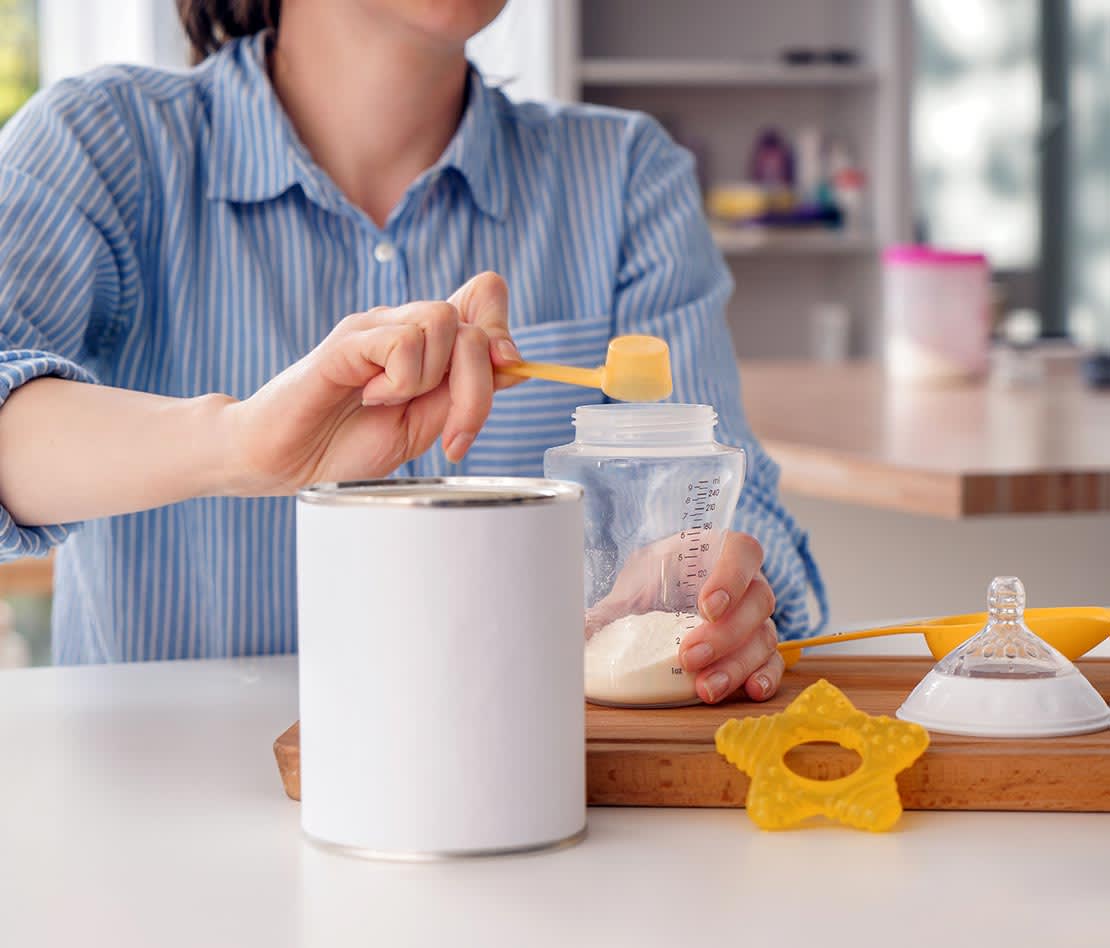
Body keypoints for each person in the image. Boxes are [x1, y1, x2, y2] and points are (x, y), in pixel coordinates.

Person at [0, 0, 824, 702]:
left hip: (527, 815)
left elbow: (734, 505)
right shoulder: (102, 143)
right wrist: (240, 443)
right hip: (165, 825)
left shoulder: (625, 176)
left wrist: (721, 588)